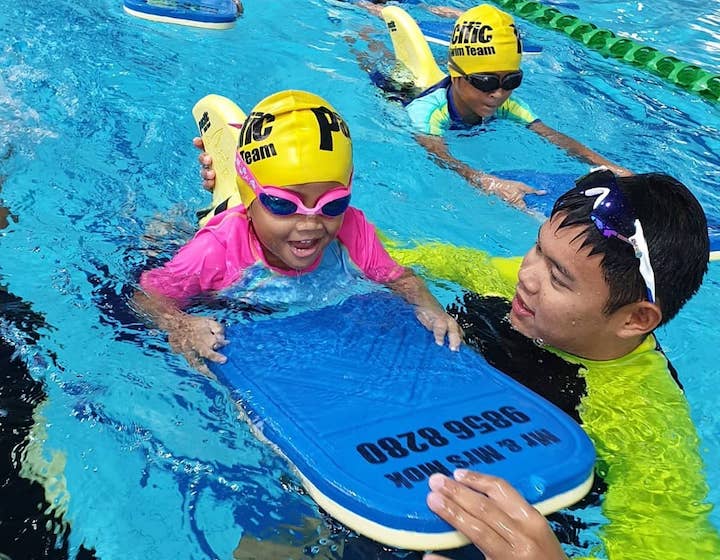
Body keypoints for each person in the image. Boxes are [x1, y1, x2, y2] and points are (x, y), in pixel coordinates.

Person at [386, 170, 719, 558]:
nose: (526, 276)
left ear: (635, 320)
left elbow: (669, 542)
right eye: (538, 248)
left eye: (559, 279)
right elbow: (407, 259)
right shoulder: (522, 283)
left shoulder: (641, 417)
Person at [135, 90, 462, 374]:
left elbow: (400, 278)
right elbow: (149, 298)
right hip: (229, 257)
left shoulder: (353, 228)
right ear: (252, 200)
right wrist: (182, 325)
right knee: (161, 238)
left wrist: (430, 307)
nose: (310, 224)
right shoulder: (215, 251)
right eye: (282, 204)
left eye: (332, 204)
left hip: (252, 205)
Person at [350, 3, 631, 209]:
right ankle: (357, 22)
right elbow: (439, 156)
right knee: (378, 62)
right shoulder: (428, 111)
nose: (498, 93)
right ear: (456, 75)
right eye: (485, 82)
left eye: (511, 80)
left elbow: (553, 136)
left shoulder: (507, 104)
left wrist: (609, 166)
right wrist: (487, 181)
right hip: (402, 92)